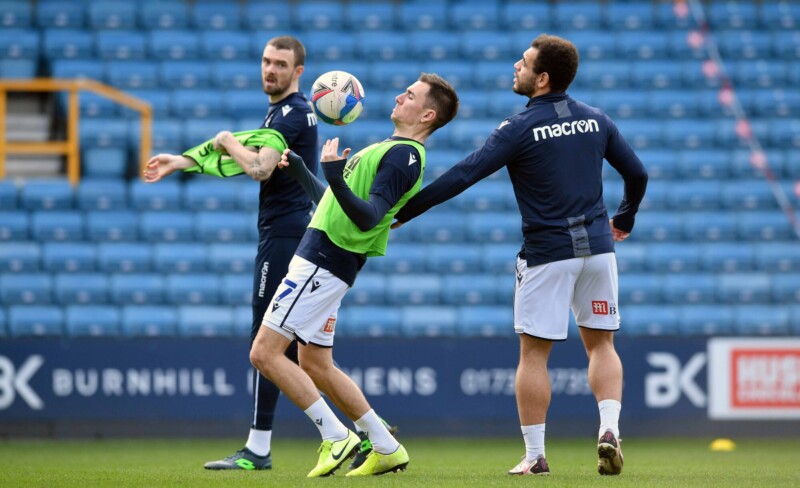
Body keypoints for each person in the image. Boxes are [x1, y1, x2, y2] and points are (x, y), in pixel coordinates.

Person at [393, 35, 648, 476]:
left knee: (533, 356)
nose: (516, 65)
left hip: (548, 253)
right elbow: (637, 173)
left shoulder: (519, 127)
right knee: (602, 344)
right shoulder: (596, 119)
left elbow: (466, 173)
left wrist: (404, 211)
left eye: (525, 63)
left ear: (542, 78)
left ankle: (535, 455)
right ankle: (609, 428)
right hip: (598, 251)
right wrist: (624, 218)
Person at [249, 73, 459, 477]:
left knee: (264, 353)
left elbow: (369, 218)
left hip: (323, 260)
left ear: (427, 115)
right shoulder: (389, 148)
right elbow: (337, 205)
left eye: (410, 95)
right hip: (327, 260)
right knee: (315, 363)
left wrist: (334, 175)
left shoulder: (404, 156)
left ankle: (336, 435)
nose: (399, 96)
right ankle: (385, 445)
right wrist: (303, 173)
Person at [144, 35, 319, 471]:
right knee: (297, 351)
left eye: (280, 64)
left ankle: (263, 447)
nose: (270, 69)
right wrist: (182, 161)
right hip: (290, 234)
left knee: (267, 344)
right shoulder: (282, 114)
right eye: (266, 61)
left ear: (298, 71)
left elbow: (258, 166)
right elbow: (239, 150)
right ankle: (361, 430)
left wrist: (225, 139)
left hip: (284, 236)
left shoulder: (291, 113)